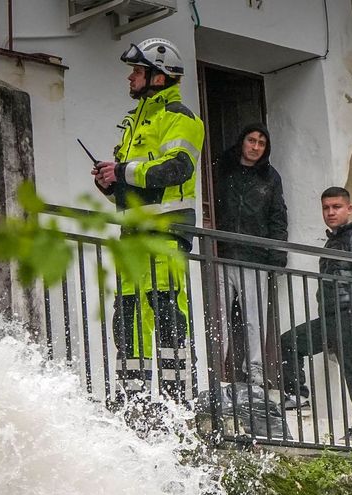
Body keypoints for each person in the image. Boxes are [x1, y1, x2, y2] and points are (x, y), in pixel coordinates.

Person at [91, 37, 205, 398]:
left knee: (167, 306)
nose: (130, 78)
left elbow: (177, 169)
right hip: (133, 234)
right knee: (127, 314)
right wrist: (108, 183)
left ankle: (178, 399)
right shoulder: (131, 123)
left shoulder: (181, 119)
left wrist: (122, 171)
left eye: (137, 71)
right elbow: (131, 184)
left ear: (159, 77)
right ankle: (133, 399)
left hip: (166, 231)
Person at [279, 187, 352, 438]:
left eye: (336, 207)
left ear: (349, 208)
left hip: (350, 316)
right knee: (289, 342)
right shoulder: (336, 239)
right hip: (332, 317)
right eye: (326, 208)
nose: (330, 212)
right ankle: (296, 396)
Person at [213, 124, 288, 384]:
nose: (255, 147)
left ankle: (255, 370)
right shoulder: (222, 168)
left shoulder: (270, 176)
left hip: (255, 257)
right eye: (251, 140)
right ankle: (216, 369)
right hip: (221, 253)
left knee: (254, 319)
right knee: (218, 317)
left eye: (261, 143)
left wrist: (277, 254)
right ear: (241, 141)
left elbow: (278, 216)